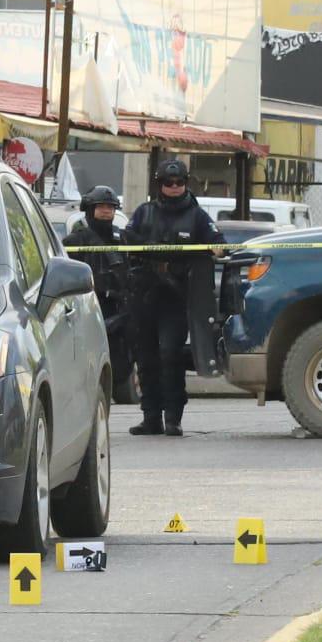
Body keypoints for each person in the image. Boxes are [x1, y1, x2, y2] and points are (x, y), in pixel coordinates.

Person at [127, 159, 225, 438]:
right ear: (159, 184)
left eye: (179, 182)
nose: (174, 187)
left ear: (186, 183)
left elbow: (218, 240)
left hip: (176, 296)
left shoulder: (197, 216)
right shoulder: (144, 213)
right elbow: (129, 238)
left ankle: (173, 418)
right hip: (144, 295)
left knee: (170, 355)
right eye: (168, 183)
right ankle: (150, 418)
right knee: (145, 359)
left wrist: (215, 247)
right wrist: (156, 251)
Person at [64, 185, 138, 402]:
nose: (106, 211)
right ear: (90, 209)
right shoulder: (76, 240)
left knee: (121, 361)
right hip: (88, 307)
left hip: (117, 310)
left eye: (110, 207)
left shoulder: (122, 239)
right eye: (101, 207)